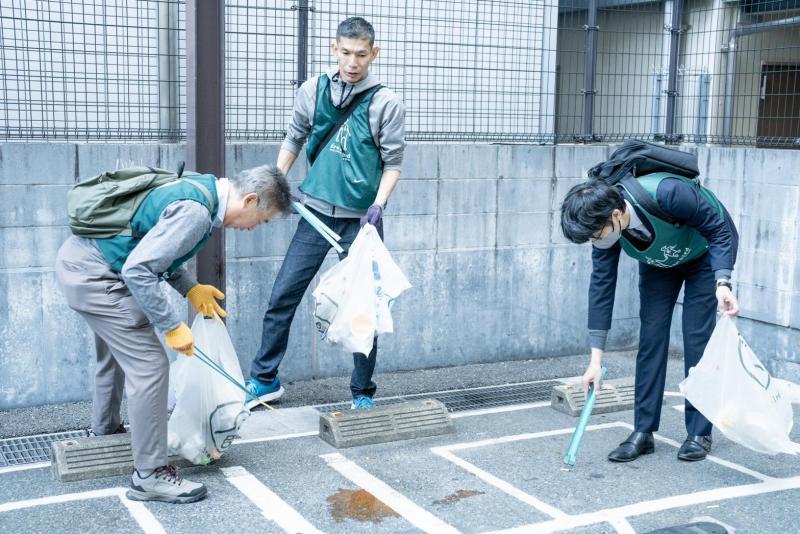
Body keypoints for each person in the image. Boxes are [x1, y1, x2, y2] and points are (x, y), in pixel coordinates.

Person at [55, 165, 291, 503]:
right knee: (150, 367)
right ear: (251, 199)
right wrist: (171, 326)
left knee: (116, 355)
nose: (255, 228)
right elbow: (140, 268)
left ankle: (104, 432)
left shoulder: (202, 187)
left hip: (84, 263)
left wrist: (190, 289)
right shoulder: (197, 213)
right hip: (98, 276)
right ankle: (150, 476)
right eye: (262, 219)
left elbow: (154, 247)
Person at [245, 17, 405, 410]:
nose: (353, 62)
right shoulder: (312, 90)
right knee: (283, 295)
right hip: (315, 215)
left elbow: (393, 163)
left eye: (361, 54)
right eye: (346, 52)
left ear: (374, 54)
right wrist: (275, 183)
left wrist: (377, 206)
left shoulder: (386, 102)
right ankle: (265, 380)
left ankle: (362, 392)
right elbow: (294, 137)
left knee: (363, 308)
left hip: (361, 221)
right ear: (334, 49)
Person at [560, 172, 739, 463]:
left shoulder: (668, 193)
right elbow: (601, 287)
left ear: (616, 215)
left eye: (596, 235)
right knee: (651, 338)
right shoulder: (604, 230)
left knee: (696, 338)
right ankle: (643, 432)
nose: (596, 241)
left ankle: (699, 432)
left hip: (704, 255)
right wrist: (595, 361)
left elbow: (719, 231)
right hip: (660, 260)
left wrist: (723, 282)